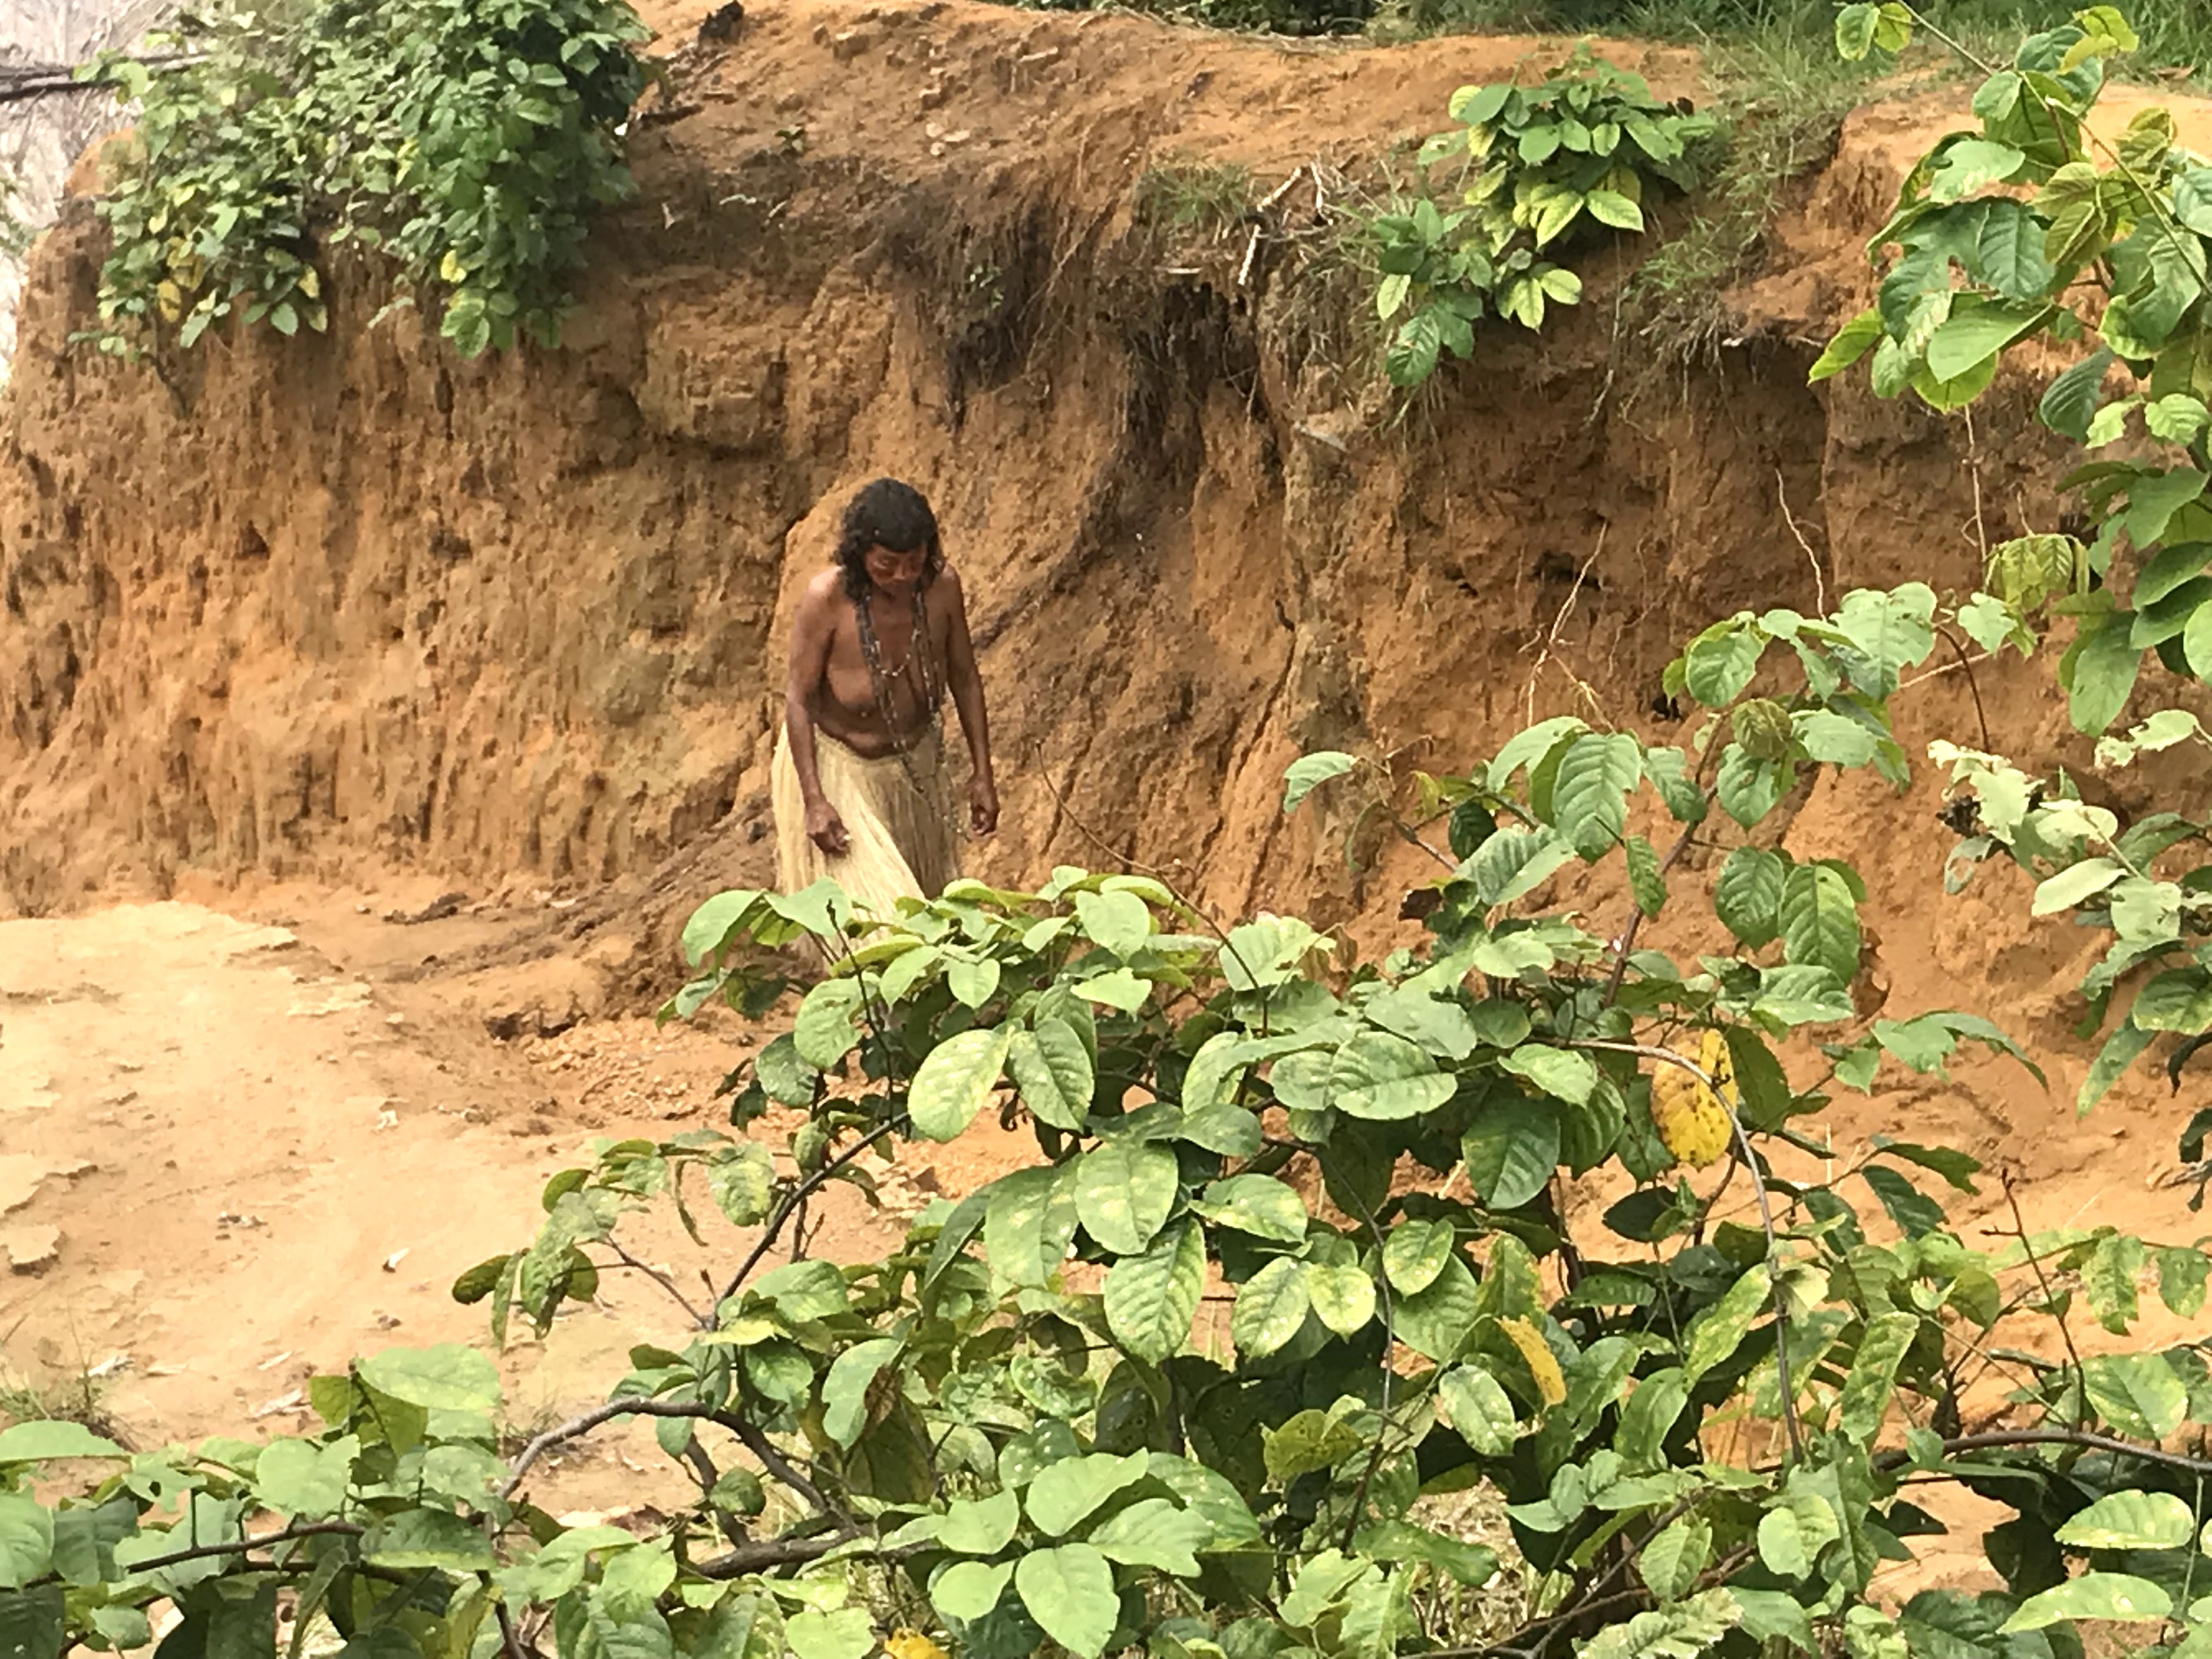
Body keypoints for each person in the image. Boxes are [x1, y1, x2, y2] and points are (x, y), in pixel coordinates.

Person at [771, 479, 998, 921]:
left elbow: (965, 677)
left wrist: (982, 773)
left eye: (914, 563)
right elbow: (797, 698)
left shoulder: (943, 588)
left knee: (933, 921)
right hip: (841, 771)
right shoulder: (827, 599)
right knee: (882, 929)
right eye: (886, 565)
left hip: (916, 767)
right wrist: (815, 800)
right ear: (861, 556)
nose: (902, 576)